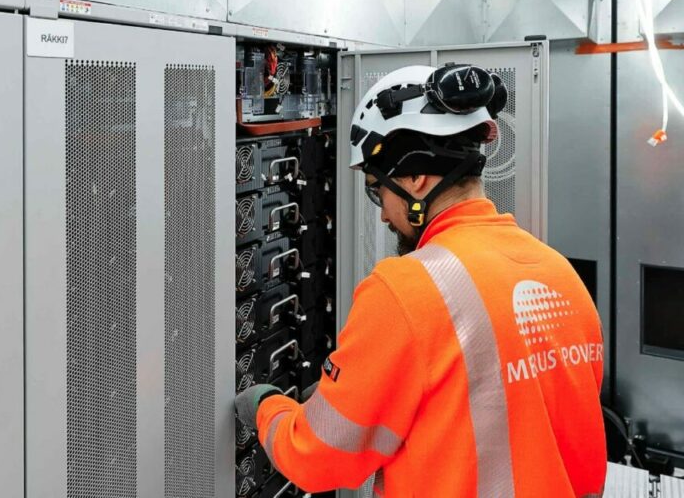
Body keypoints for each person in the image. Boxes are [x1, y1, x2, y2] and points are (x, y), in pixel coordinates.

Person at [235, 64, 606, 497]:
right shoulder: (559, 273)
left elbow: (315, 457)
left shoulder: (407, 288)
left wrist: (266, 407)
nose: (381, 212)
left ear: (415, 178)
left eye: (378, 189)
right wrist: (356, 392)